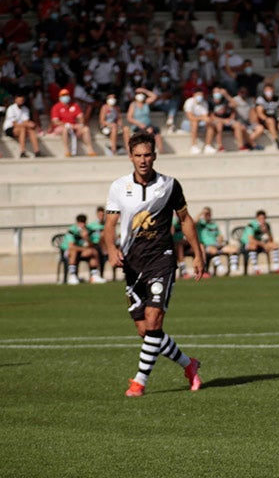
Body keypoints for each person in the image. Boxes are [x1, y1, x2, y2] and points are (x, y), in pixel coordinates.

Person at [103, 132, 204, 397]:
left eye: (147, 155)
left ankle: (139, 382)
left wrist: (198, 254)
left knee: (154, 319)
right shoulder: (118, 186)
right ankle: (188, 364)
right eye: (138, 155)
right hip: (132, 264)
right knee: (145, 330)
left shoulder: (170, 185)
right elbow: (109, 225)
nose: (143, 160)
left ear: (155, 156)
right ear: (130, 156)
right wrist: (112, 249)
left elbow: (185, 220)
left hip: (162, 259)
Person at [61, 213, 106, 284]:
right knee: (73, 251)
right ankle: (72, 276)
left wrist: (86, 238)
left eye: (83, 222)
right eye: (80, 222)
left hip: (82, 252)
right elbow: (71, 246)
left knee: (93, 251)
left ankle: (94, 276)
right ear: (77, 223)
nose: (82, 225)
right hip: (68, 252)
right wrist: (85, 249)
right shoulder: (72, 230)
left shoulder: (88, 230)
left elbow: (92, 244)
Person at [196, 206, 239, 275]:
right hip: (206, 246)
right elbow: (194, 222)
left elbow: (219, 235)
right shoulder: (201, 224)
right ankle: (220, 268)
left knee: (234, 249)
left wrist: (220, 238)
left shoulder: (214, 225)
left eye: (208, 214)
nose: (207, 216)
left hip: (217, 245)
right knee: (213, 250)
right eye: (206, 214)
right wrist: (201, 213)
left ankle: (234, 270)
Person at [240, 209, 279, 274]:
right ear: (257, 218)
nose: (262, 220)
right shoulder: (251, 225)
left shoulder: (266, 225)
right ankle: (255, 269)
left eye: (263, 218)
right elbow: (251, 240)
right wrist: (264, 245)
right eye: (260, 218)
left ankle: (276, 268)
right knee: (253, 246)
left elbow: (271, 240)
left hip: (260, 244)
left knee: (275, 245)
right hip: (246, 244)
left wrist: (266, 231)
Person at [255, 82, 279, 150]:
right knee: (270, 120)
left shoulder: (277, 99)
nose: (269, 92)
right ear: (264, 91)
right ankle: (276, 140)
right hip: (264, 121)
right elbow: (259, 113)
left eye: (270, 90)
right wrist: (266, 120)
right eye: (267, 90)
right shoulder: (261, 99)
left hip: (274, 119)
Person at [3, 93, 41, 158]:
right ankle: (22, 151)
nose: (21, 101)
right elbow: (14, 124)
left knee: (31, 130)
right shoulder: (11, 108)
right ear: (15, 100)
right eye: (19, 100)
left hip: (21, 127)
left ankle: (37, 151)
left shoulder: (25, 109)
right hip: (10, 128)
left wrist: (31, 124)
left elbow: (26, 121)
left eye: (22, 100)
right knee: (23, 129)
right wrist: (28, 124)